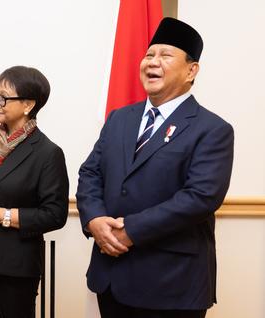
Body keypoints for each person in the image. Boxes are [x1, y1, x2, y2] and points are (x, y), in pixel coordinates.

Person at [76, 17, 234, 318]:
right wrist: (94, 219)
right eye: (149, 54)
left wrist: (130, 231)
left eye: (165, 55)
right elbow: (91, 173)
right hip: (112, 277)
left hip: (171, 284)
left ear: (191, 70)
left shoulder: (212, 129)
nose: (153, 61)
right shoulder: (119, 118)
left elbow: (201, 197)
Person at [0, 66, 69, 318]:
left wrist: (0, 215)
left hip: (15, 266)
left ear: (28, 104)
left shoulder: (48, 153)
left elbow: (55, 214)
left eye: (4, 97)